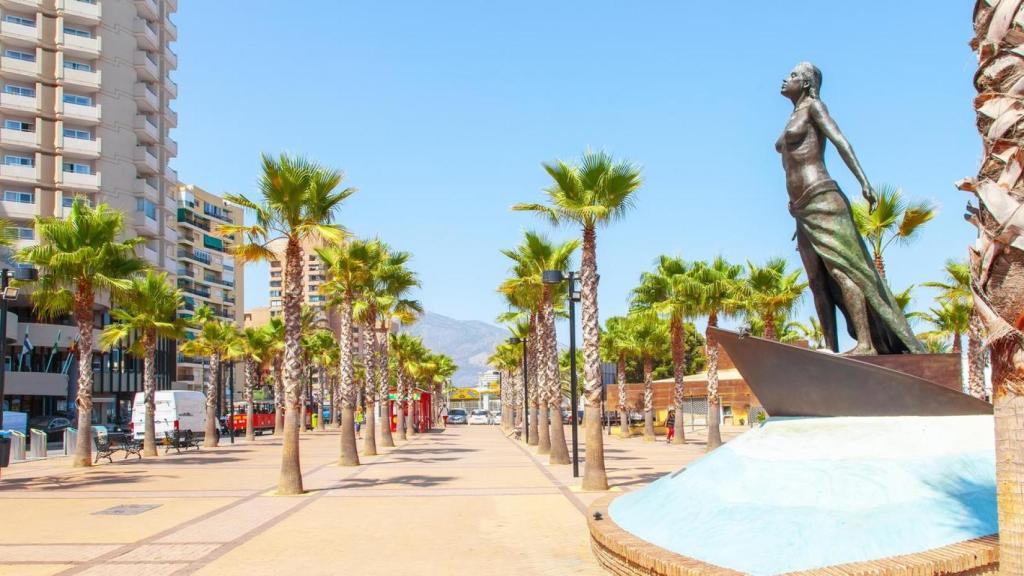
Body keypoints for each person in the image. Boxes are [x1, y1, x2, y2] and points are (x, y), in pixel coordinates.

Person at [778, 62, 924, 355]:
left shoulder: (814, 108)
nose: (786, 78)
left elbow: (840, 141)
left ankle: (867, 344)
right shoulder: (792, 115)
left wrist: (863, 181)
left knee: (843, 270)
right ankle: (830, 348)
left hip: (822, 198)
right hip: (801, 208)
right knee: (817, 279)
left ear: (806, 84)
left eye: (793, 75)